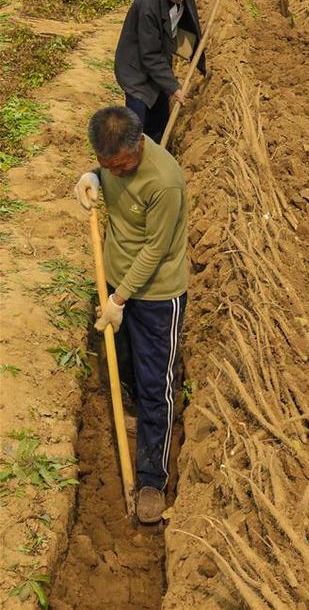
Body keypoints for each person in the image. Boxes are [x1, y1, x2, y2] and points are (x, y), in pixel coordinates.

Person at [73, 106, 188, 524]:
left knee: (157, 384)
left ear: (139, 145)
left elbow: (155, 251)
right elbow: (106, 172)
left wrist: (118, 300)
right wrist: (93, 176)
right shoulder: (112, 164)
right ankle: (140, 418)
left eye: (120, 166)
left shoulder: (165, 181)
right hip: (117, 286)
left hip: (157, 295)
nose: (116, 173)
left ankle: (152, 477)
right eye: (108, 167)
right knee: (125, 367)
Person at [114, 0, 230, 143]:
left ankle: (159, 150)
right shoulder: (148, 6)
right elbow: (150, 55)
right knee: (137, 124)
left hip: (159, 56)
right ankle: (132, 161)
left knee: (160, 116)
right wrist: (174, 87)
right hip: (136, 68)